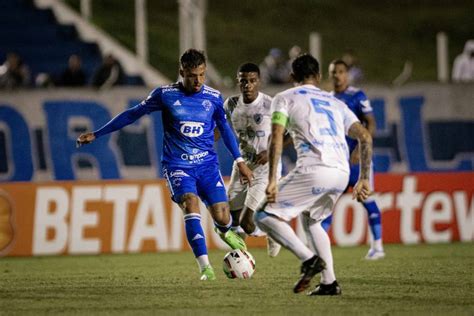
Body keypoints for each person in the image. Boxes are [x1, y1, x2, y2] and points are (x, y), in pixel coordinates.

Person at [77, 49, 253, 281]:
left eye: (201, 75)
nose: (198, 81)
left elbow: (226, 129)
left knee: (222, 215)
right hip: (177, 165)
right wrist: (98, 134)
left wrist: (240, 161)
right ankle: (205, 268)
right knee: (190, 204)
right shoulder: (165, 94)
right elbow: (132, 115)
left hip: (207, 165)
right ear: (181, 72)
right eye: (192, 75)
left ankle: (224, 230)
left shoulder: (213, 97)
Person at [254, 53, 373, 296]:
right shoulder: (336, 103)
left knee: (263, 215)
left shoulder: (284, 98)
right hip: (341, 173)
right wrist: (364, 178)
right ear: (319, 77)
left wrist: (272, 181)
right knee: (313, 221)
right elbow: (365, 137)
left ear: (291, 76)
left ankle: (309, 260)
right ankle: (329, 282)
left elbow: (276, 137)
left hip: (315, 170)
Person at [325, 59, 385, 260]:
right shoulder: (328, 99)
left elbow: (371, 123)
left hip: (358, 162)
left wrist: (361, 148)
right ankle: (318, 249)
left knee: (367, 200)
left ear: (347, 74)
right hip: (338, 162)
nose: (337, 75)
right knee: (327, 204)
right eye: (333, 72)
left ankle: (377, 247)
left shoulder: (357, 96)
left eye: (341, 71)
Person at [223, 62, 281, 257]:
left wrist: (269, 151)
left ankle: (272, 232)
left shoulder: (270, 105)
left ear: (259, 82)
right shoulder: (230, 104)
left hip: (265, 168)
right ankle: (242, 257)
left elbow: (286, 134)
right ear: (238, 82)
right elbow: (220, 131)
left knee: (248, 223)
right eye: (243, 81)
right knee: (231, 216)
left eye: (252, 81)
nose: (247, 85)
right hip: (241, 165)